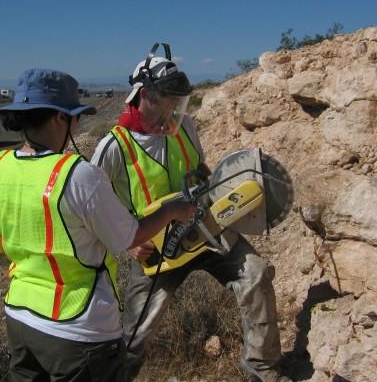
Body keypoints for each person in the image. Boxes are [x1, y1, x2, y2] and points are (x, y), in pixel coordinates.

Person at [0, 68, 195, 382]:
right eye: (75, 117)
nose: (77, 123)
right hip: (80, 329)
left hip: (20, 320)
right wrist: (170, 211)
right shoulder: (78, 175)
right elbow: (131, 236)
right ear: (61, 118)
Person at [91, 44, 291, 382]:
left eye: (176, 100)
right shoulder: (114, 146)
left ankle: (263, 367)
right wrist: (127, 243)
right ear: (144, 94)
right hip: (156, 249)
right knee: (136, 332)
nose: (172, 107)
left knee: (255, 273)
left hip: (205, 227)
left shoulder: (183, 126)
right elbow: (91, 204)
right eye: (166, 98)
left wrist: (224, 197)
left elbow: (201, 169)